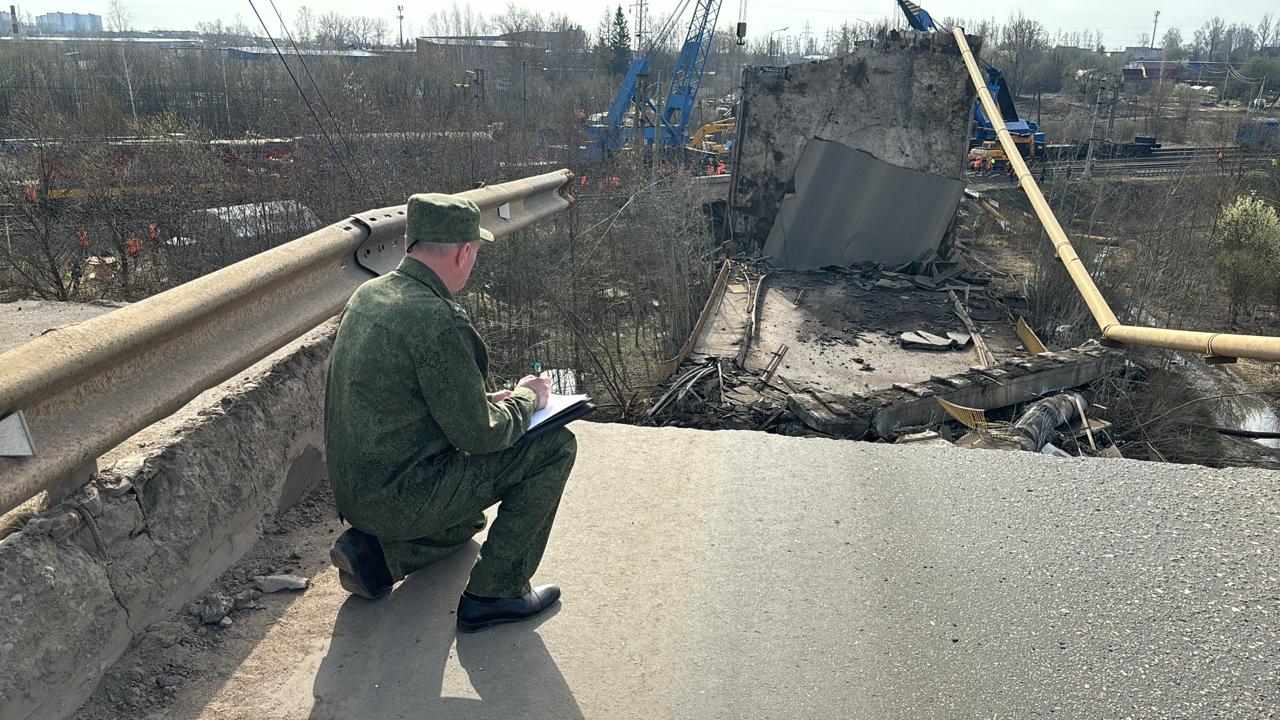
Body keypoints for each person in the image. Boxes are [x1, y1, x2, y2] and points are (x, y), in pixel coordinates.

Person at [324, 193, 578, 633]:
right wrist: (525, 399)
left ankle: (379, 557)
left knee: (469, 519)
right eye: (475, 253)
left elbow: (407, 398)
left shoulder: (370, 295)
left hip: (357, 493)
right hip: (400, 499)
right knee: (555, 446)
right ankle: (495, 593)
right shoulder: (439, 320)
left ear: (411, 241)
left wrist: (482, 401)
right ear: (464, 252)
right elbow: (481, 437)